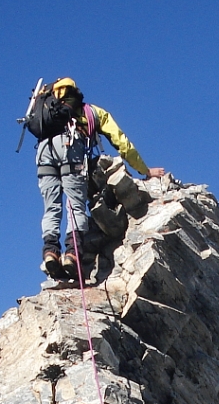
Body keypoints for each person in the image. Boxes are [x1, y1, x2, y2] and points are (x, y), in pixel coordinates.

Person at [35, 78, 164, 281]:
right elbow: (121, 141)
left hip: (44, 151)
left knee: (51, 207)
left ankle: (50, 251)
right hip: (71, 147)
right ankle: (71, 253)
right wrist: (144, 170)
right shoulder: (92, 111)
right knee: (75, 205)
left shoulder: (46, 106)